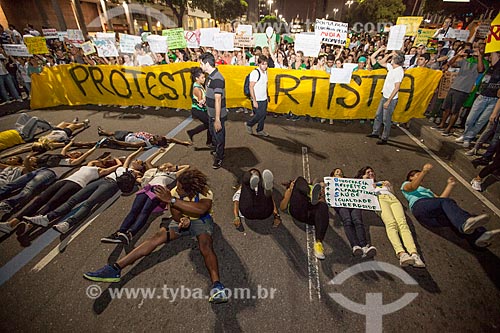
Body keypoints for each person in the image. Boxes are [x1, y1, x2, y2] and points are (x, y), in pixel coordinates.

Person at [83, 169, 229, 304]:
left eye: (180, 188)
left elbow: (202, 209)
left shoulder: (204, 192)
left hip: (202, 220)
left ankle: (217, 286)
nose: (176, 189)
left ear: (190, 190)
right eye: (177, 187)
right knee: (156, 237)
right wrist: (182, 220)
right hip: (184, 220)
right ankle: (115, 268)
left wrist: (172, 201)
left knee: (205, 245)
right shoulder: (174, 193)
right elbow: (176, 215)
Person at [26, 148, 146, 234]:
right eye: (138, 160)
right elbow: (130, 157)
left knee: (89, 203)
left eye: (140, 163)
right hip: (103, 180)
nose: (137, 161)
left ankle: (68, 224)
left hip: (111, 185)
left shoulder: (135, 174)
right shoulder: (124, 167)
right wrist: (139, 150)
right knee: (73, 199)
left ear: (141, 169)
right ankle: (47, 218)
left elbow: (142, 180)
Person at [0, 153, 120, 234]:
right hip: (65, 181)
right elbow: (93, 161)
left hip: (76, 185)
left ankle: (28, 225)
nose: (98, 161)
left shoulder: (101, 171)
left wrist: (115, 161)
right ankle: (11, 223)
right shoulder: (88, 166)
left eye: (101, 162)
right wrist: (103, 158)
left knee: (52, 203)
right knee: (39, 199)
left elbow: (117, 166)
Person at [101, 148, 189, 244]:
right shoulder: (156, 171)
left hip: (158, 190)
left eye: (168, 166)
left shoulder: (173, 175)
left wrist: (174, 168)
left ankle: (131, 233)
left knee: (145, 211)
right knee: (134, 210)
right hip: (146, 188)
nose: (166, 167)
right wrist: (158, 152)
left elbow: (187, 166)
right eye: (165, 165)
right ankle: (120, 232)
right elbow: (147, 161)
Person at [401, 163, 500, 248]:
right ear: (410, 177)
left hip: (431, 219)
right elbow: (412, 186)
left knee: (457, 218)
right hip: (419, 207)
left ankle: (480, 238)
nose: (420, 177)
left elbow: (440, 200)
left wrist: (450, 185)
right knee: (459, 216)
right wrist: (424, 171)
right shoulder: (406, 184)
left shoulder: (428, 191)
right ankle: (465, 224)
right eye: (417, 175)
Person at [357, 166, 425, 267]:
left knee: (403, 224)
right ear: (362, 176)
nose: (371, 173)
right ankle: (401, 253)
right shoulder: (362, 185)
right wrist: (367, 183)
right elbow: (361, 197)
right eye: (367, 172)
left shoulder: (382, 182)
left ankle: (414, 254)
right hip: (379, 200)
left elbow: (392, 193)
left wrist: (390, 187)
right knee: (391, 223)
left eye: (372, 171)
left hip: (393, 200)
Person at [434, 43, 486, 136]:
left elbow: (481, 70)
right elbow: (451, 64)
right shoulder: (466, 60)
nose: (476, 50)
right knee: (447, 108)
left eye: (480, 49)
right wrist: (458, 54)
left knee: (455, 110)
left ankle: (448, 128)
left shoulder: (483, 62)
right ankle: (442, 124)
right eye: (475, 48)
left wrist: (479, 57)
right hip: (454, 86)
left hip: (464, 90)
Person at [330, 168, 377, 258]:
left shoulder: (350, 182)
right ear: (332, 176)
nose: (340, 172)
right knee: (347, 221)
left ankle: (364, 246)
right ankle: (355, 246)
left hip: (354, 203)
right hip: (341, 203)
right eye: (337, 172)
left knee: (358, 221)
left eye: (341, 171)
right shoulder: (330, 183)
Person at [456, 52, 499, 148]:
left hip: (494, 100)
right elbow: (494, 53)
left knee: (481, 121)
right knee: (470, 119)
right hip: (483, 96)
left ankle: (468, 138)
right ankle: (465, 134)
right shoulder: (495, 66)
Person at [279, 177, 328, 259]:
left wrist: (322, 197)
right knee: (300, 179)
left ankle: (318, 244)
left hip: (310, 215)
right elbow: (282, 207)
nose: (322, 188)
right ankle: (311, 193)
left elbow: (322, 213)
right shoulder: (296, 188)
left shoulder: (320, 194)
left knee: (323, 206)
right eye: (321, 186)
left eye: (323, 187)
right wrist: (290, 191)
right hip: (298, 210)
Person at [367, 48, 405, 145]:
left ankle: (384, 138)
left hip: (390, 99)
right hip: (385, 96)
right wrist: (388, 55)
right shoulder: (392, 68)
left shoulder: (399, 71)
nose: (391, 57)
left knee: (386, 119)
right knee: (378, 115)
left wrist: (388, 101)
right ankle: (375, 132)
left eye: (393, 56)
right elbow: (380, 62)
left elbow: (397, 88)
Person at [200, 52, 227, 169]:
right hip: (211, 113)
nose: (200, 66)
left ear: (207, 64)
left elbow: (218, 99)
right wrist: (205, 100)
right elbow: (210, 93)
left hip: (217, 115)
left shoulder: (217, 78)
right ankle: (217, 150)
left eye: (201, 63)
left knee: (219, 137)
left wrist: (217, 119)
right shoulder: (210, 77)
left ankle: (219, 158)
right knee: (213, 134)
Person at [186, 67, 212, 147]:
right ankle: (209, 142)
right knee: (211, 123)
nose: (204, 79)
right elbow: (201, 103)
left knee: (208, 124)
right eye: (202, 77)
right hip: (198, 110)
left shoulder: (198, 85)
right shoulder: (197, 89)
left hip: (199, 110)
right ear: (197, 78)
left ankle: (192, 132)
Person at [96, 127, 191, 148]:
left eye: (158, 137)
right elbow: (171, 139)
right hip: (131, 133)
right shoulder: (153, 138)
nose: (157, 135)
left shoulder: (146, 143)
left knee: (113, 135)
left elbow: (130, 144)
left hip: (124, 138)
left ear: (156, 142)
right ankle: (103, 132)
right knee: (114, 131)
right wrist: (183, 142)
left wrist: (116, 141)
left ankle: (104, 138)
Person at [245, 55, 270, 137]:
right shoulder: (255, 73)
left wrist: (267, 96)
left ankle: (260, 130)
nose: (265, 66)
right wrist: (254, 100)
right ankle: (249, 124)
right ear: (259, 64)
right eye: (263, 64)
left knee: (263, 116)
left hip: (264, 98)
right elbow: (251, 87)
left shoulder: (266, 72)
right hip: (257, 99)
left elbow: (265, 85)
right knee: (259, 115)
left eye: (266, 64)